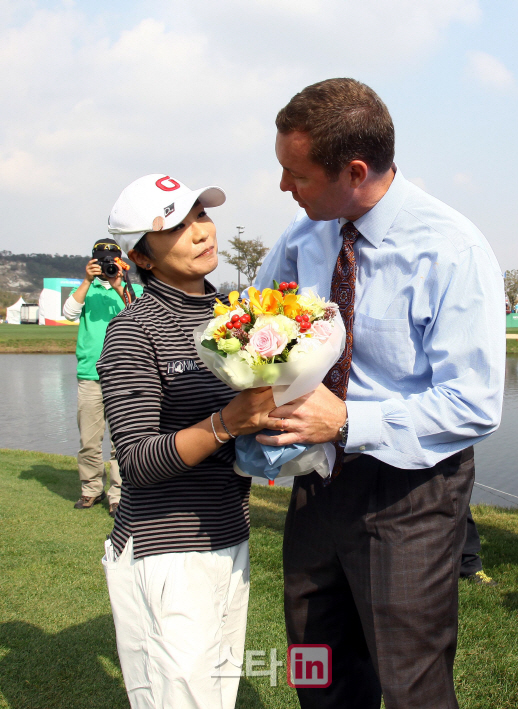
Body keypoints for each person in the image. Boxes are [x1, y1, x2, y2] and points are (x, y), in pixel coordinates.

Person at [254, 79, 506, 708]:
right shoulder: (300, 238)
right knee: (315, 661)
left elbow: (474, 402)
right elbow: (252, 323)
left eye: (297, 174)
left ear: (356, 171)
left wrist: (347, 421)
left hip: (409, 491)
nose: (285, 187)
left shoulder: (451, 251)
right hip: (317, 480)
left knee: (408, 678)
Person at [97, 174, 275, 709]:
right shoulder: (134, 330)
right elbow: (135, 460)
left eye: (201, 214)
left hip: (229, 533)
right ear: (143, 258)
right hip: (166, 548)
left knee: (217, 694)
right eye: (176, 224)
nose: (200, 231)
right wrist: (226, 422)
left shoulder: (239, 316)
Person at [64, 239, 143, 517]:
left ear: (121, 262)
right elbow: (68, 313)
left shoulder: (131, 289)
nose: (106, 266)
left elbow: (140, 314)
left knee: (121, 441)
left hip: (123, 374)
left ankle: (119, 495)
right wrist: (87, 280)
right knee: (89, 439)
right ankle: (90, 490)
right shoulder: (86, 289)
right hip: (90, 374)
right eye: (101, 261)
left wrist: (121, 284)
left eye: (111, 261)